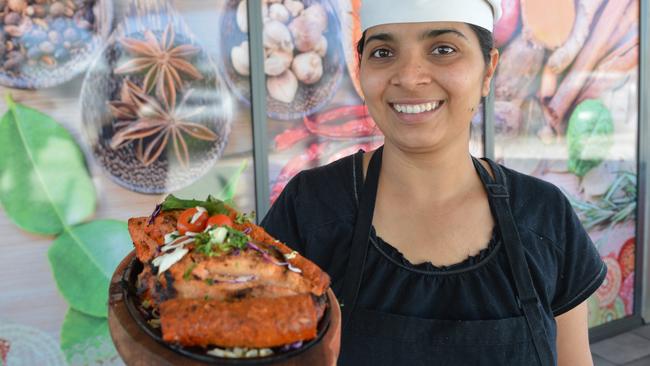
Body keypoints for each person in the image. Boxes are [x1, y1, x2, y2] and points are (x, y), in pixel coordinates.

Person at [261, 0, 606, 364]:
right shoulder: (311, 207)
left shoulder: (545, 214)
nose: (409, 77)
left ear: (488, 70)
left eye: (443, 49)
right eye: (383, 51)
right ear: (361, 68)